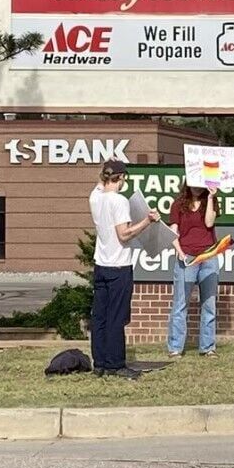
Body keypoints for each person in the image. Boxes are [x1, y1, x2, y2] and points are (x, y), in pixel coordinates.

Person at [89, 160, 160, 380]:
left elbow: (99, 184)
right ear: (121, 178)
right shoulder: (119, 201)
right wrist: (147, 221)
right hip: (119, 266)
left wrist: (105, 173)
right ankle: (116, 364)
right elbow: (124, 234)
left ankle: (99, 364)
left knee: (99, 317)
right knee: (117, 317)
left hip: (101, 265)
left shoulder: (95, 197)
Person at [167, 184, 221, 358]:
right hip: (187, 257)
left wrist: (211, 197)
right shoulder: (178, 205)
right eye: (194, 185)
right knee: (180, 304)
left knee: (209, 304)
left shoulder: (210, 201)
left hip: (209, 257)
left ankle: (208, 347)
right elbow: (173, 232)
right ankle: (175, 348)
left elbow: (209, 223)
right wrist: (180, 252)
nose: (197, 189)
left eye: (201, 186)